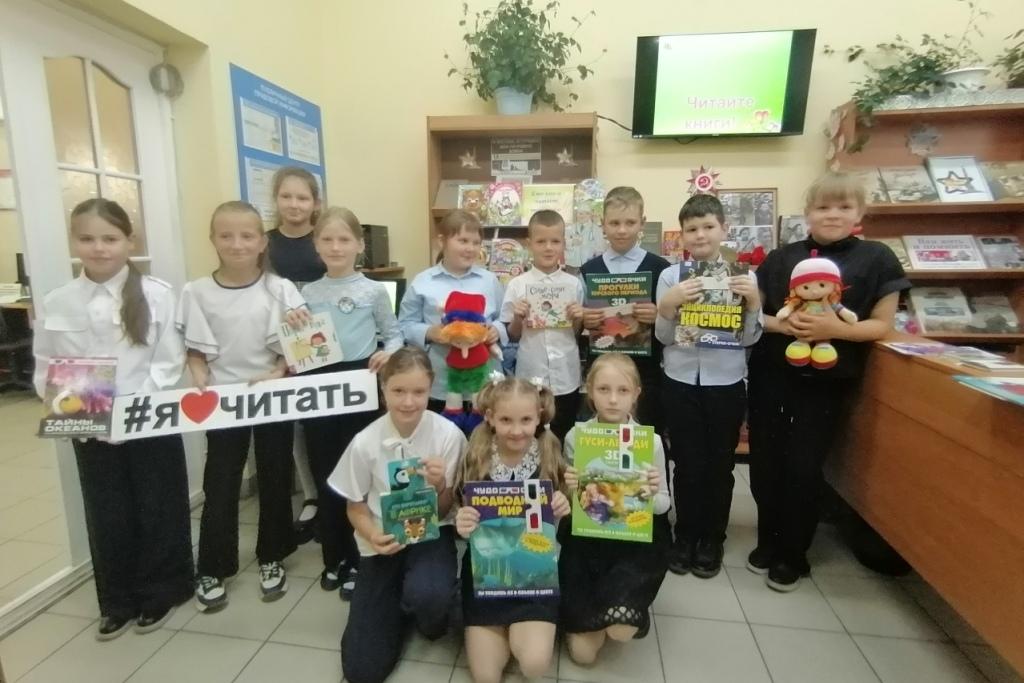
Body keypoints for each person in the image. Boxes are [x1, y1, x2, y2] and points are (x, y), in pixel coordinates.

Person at [33, 198, 193, 639]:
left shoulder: (157, 294)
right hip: (88, 422)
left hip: (148, 418)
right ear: (74, 242)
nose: (99, 248)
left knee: (157, 507)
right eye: (87, 239)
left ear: (128, 241)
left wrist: (132, 413)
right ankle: (116, 599)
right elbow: (47, 363)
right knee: (107, 513)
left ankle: (163, 589)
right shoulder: (59, 300)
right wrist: (80, 411)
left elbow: (168, 360)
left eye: (110, 238)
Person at [747, 172, 911, 591]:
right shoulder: (780, 258)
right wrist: (784, 326)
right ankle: (768, 541)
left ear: (860, 213)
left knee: (803, 467)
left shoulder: (877, 258)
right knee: (766, 464)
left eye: (843, 207)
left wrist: (834, 330)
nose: (833, 215)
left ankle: (793, 554)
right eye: (823, 207)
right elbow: (754, 316)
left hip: (826, 383)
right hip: (772, 376)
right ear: (808, 212)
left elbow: (882, 325)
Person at [179, 201, 305, 611]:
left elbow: (304, 345)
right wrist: (198, 370)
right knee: (220, 479)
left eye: (247, 236)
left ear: (262, 241)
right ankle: (213, 566)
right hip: (222, 400)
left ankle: (272, 555)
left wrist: (280, 369)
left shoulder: (281, 290)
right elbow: (193, 347)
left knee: (275, 474)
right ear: (212, 239)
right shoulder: (196, 291)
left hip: (271, 394)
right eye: (226, 235)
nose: (237, 244)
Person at [329, 347, 465, 683]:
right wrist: (372, 535)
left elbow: (445, 510)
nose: (408, 402)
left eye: (418, 392)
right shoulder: (365, 441)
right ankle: (396, 605)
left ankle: (418, 604)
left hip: (431, 533)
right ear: (383, 390)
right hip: (383, 538)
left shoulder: (448, 434)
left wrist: (440, 485)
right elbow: (354, 506)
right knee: (362, 671)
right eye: (398, 391)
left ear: (430, 388)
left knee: (432, 609)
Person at [288, 206, 402, 599]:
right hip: (320, 384)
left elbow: (394, 334)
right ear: (316, 245)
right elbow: (298, 343)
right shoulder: (306, 294)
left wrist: (389, 352)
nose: (336, 247)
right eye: (327, 239)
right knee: (326, 470)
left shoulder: (373, 290)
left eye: (344, 239)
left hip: (361, 383)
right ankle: (333, 556)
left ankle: (359, 557)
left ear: (359, 245)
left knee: (361, 470)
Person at [655, 193, 763, 578]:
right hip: (680, 380)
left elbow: (750, 339)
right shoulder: (671, 277)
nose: (700, 235)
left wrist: (753, 303)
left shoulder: (744, 277)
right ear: (682, 234)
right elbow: (663, 337)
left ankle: (711, 538)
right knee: (686, 463)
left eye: (708, 227)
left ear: (723, 229)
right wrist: (667, 306)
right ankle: (684, 535)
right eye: (691, 229)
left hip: (725, 382)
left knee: (719, 465)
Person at [454, 376, 570, 683]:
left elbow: (560, 508)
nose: (516, 430)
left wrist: (562, 503)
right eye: (506, 420)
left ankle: (527, 630)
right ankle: (496, 632)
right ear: (490, 417)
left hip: (535, 574)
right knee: (486, 677)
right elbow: (461, 509)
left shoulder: (549, 451)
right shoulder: (476, 453)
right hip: (486, 574)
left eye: (525, 420)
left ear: (539, 417)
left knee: (534, 665)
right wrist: (462, 522)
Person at [559, 353, 670, 664]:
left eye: (622, 391)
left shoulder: (651, 442)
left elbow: (664, 504)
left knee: (621, 629)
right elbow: (567, 508)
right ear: (589, 391)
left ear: (636, 394)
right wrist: (570, 489)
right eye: (603, 389)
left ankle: (624, 607)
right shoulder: (576, 437)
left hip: (632, 544)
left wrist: (649, 494)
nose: (612, 400)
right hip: (587, 542)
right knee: (583, 655)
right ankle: (591, 616)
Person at [398, 209, 507, 421]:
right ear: (442, 241)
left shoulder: (489, 280)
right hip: (441, 383)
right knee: (444, 436)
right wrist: (429, 332)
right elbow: (404, 324)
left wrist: (497, 330)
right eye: (463, 240)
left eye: (476, 243)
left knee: (484, 437)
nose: (470, 248)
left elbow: (502, 317)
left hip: (485, 382)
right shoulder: (423, 281)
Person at [266, 166, 325, 544]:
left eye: (302, 197)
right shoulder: (265, 243)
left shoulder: (325, 238)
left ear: (315, 203)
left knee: (321, 418)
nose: (294, 204)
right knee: (295, 423)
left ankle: (331, 492)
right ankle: (311, 495)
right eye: (286, 196)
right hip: (275, 339)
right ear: (275, 199)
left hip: (318, 339)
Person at [579, 187, 670, 431]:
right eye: (614, 223)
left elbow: (673, 323)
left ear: (642, 223)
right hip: (602, 372)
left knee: (646, 438)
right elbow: (578, 323)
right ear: (603, 224)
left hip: (646, 374)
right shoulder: (588, 270)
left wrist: (658, 315)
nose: (622, 230)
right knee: (601, 439)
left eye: (630, 222)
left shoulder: (661, 268)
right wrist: (585, 321)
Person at [500, 209, 584, 442]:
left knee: (563, 435)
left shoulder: (573, 284)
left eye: (555, 241)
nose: (548, 248)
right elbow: (512, 336)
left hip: (566, 376)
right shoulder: (517, 285)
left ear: (564, 244)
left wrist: (578, 317)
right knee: (530, 436)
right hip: (530, 375)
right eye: (541, 241)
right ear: (529, 244)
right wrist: (518, 318)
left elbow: (576, 333)